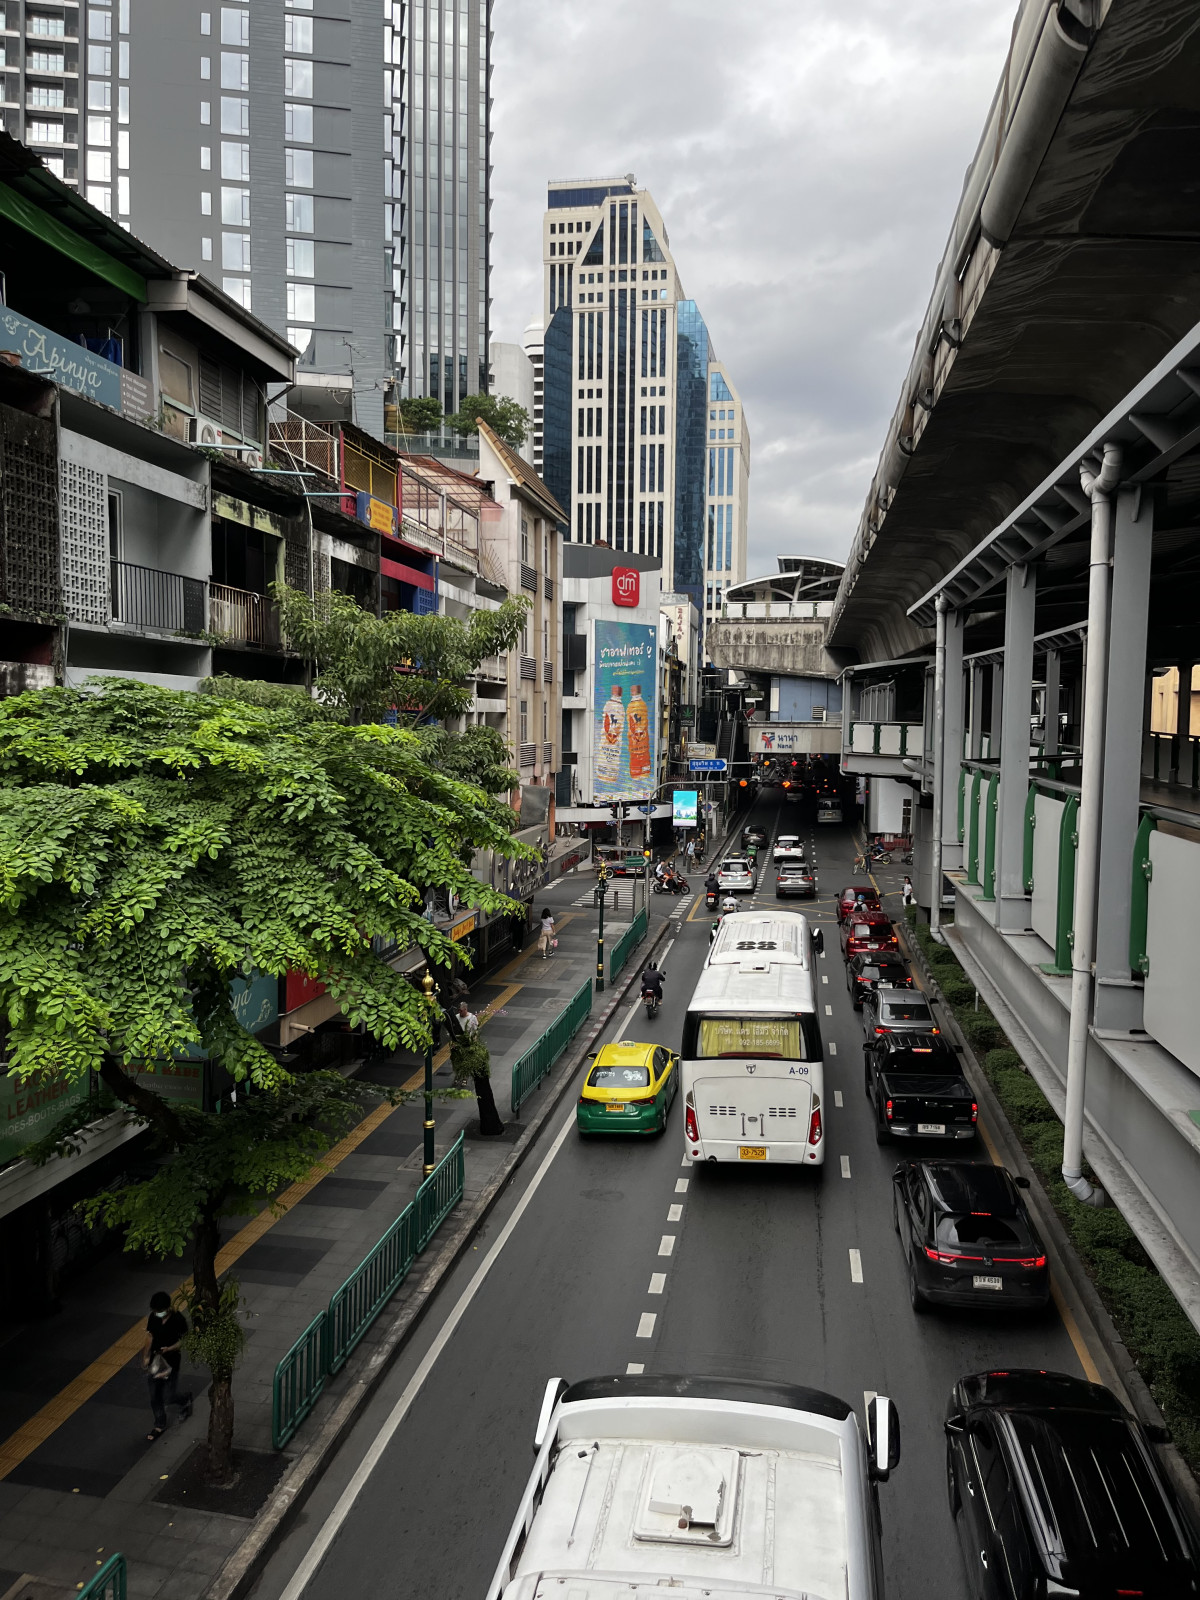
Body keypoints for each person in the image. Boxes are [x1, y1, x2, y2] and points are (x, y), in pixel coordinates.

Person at [141, 1291, 192, 1442]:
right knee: (154, 1395)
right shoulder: (153, 1317)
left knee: (169, 1396)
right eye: (155, 1311)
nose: (158, 1313)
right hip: (155, 1361)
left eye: (160, 1310)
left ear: (168, 1308)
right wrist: (146, 1356)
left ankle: (185, 1400)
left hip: (171, 1362)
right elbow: (150, 1336)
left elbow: (184, 1340)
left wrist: (169, 1348)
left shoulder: (178, 1319)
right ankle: (159, 1424)